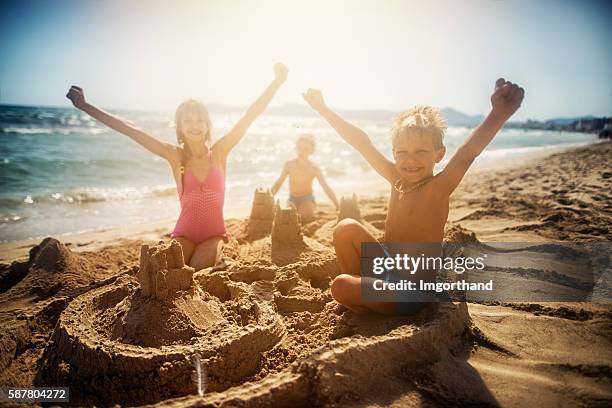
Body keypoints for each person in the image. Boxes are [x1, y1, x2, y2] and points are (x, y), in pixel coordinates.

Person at [302, 78, 524, 314]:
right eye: (402, 152)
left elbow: (467, 153)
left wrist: (499, 114)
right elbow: (361, 142)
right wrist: (324, 109)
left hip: (413, 288)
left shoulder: (437, 188)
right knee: (345, 228)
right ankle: (365, 291)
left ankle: (366, 300)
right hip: (385, 266)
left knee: (341, 287)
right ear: (394, 154)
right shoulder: (395, 178)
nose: (410, 159)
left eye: (421, 151)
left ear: (438, 155)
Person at [66, 63, 288, 271]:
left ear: (208, 124)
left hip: (214, 234)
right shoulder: (175, 156)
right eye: (188, 121)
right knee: (174, 268)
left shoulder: (219, 153)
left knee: (199, 268)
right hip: (184, 233)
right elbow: (130, 130)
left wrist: (277, 82)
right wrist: (85, 106)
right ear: (180, 127)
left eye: (199, 120)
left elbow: (249, 116)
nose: (194, 126)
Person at [271, 133, 339, 222]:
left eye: (306, 149)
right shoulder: (289, 165)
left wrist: (337, 204)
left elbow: (325, 187)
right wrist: (269, 197)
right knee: (289, 216)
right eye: (299, 148)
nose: (301, 151)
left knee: (304, 216)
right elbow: (279, 183)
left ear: (312, 150)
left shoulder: (314, 168)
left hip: (307, 198)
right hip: (292, 198)